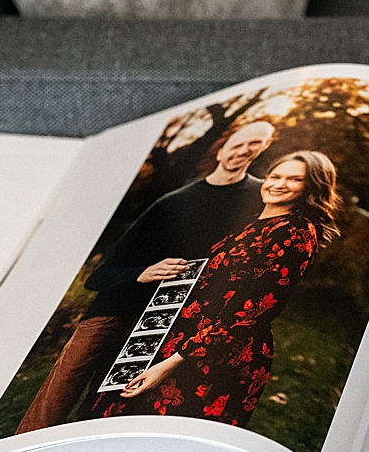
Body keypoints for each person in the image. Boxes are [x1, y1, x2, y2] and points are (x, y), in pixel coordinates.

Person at [14, 121, 277, 433]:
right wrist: (144, 273)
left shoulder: (262, 200)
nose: (245, 150)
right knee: (53, 405)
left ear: (264, 148)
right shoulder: (173, 203)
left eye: (256, 143)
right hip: (113, 313)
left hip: (168, 324)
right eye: (238, 143)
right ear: (220, 150)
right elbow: (97, 278)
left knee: (105, 411)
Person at [86, 150, 341, 428]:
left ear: (312, 187)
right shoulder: (256, 222)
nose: (279, 183)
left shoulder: (294, 233)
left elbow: (248, 313)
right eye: (275, 175)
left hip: (212, 357)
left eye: (294, 179)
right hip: (182, 339)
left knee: (154, 433)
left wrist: (170, 363)